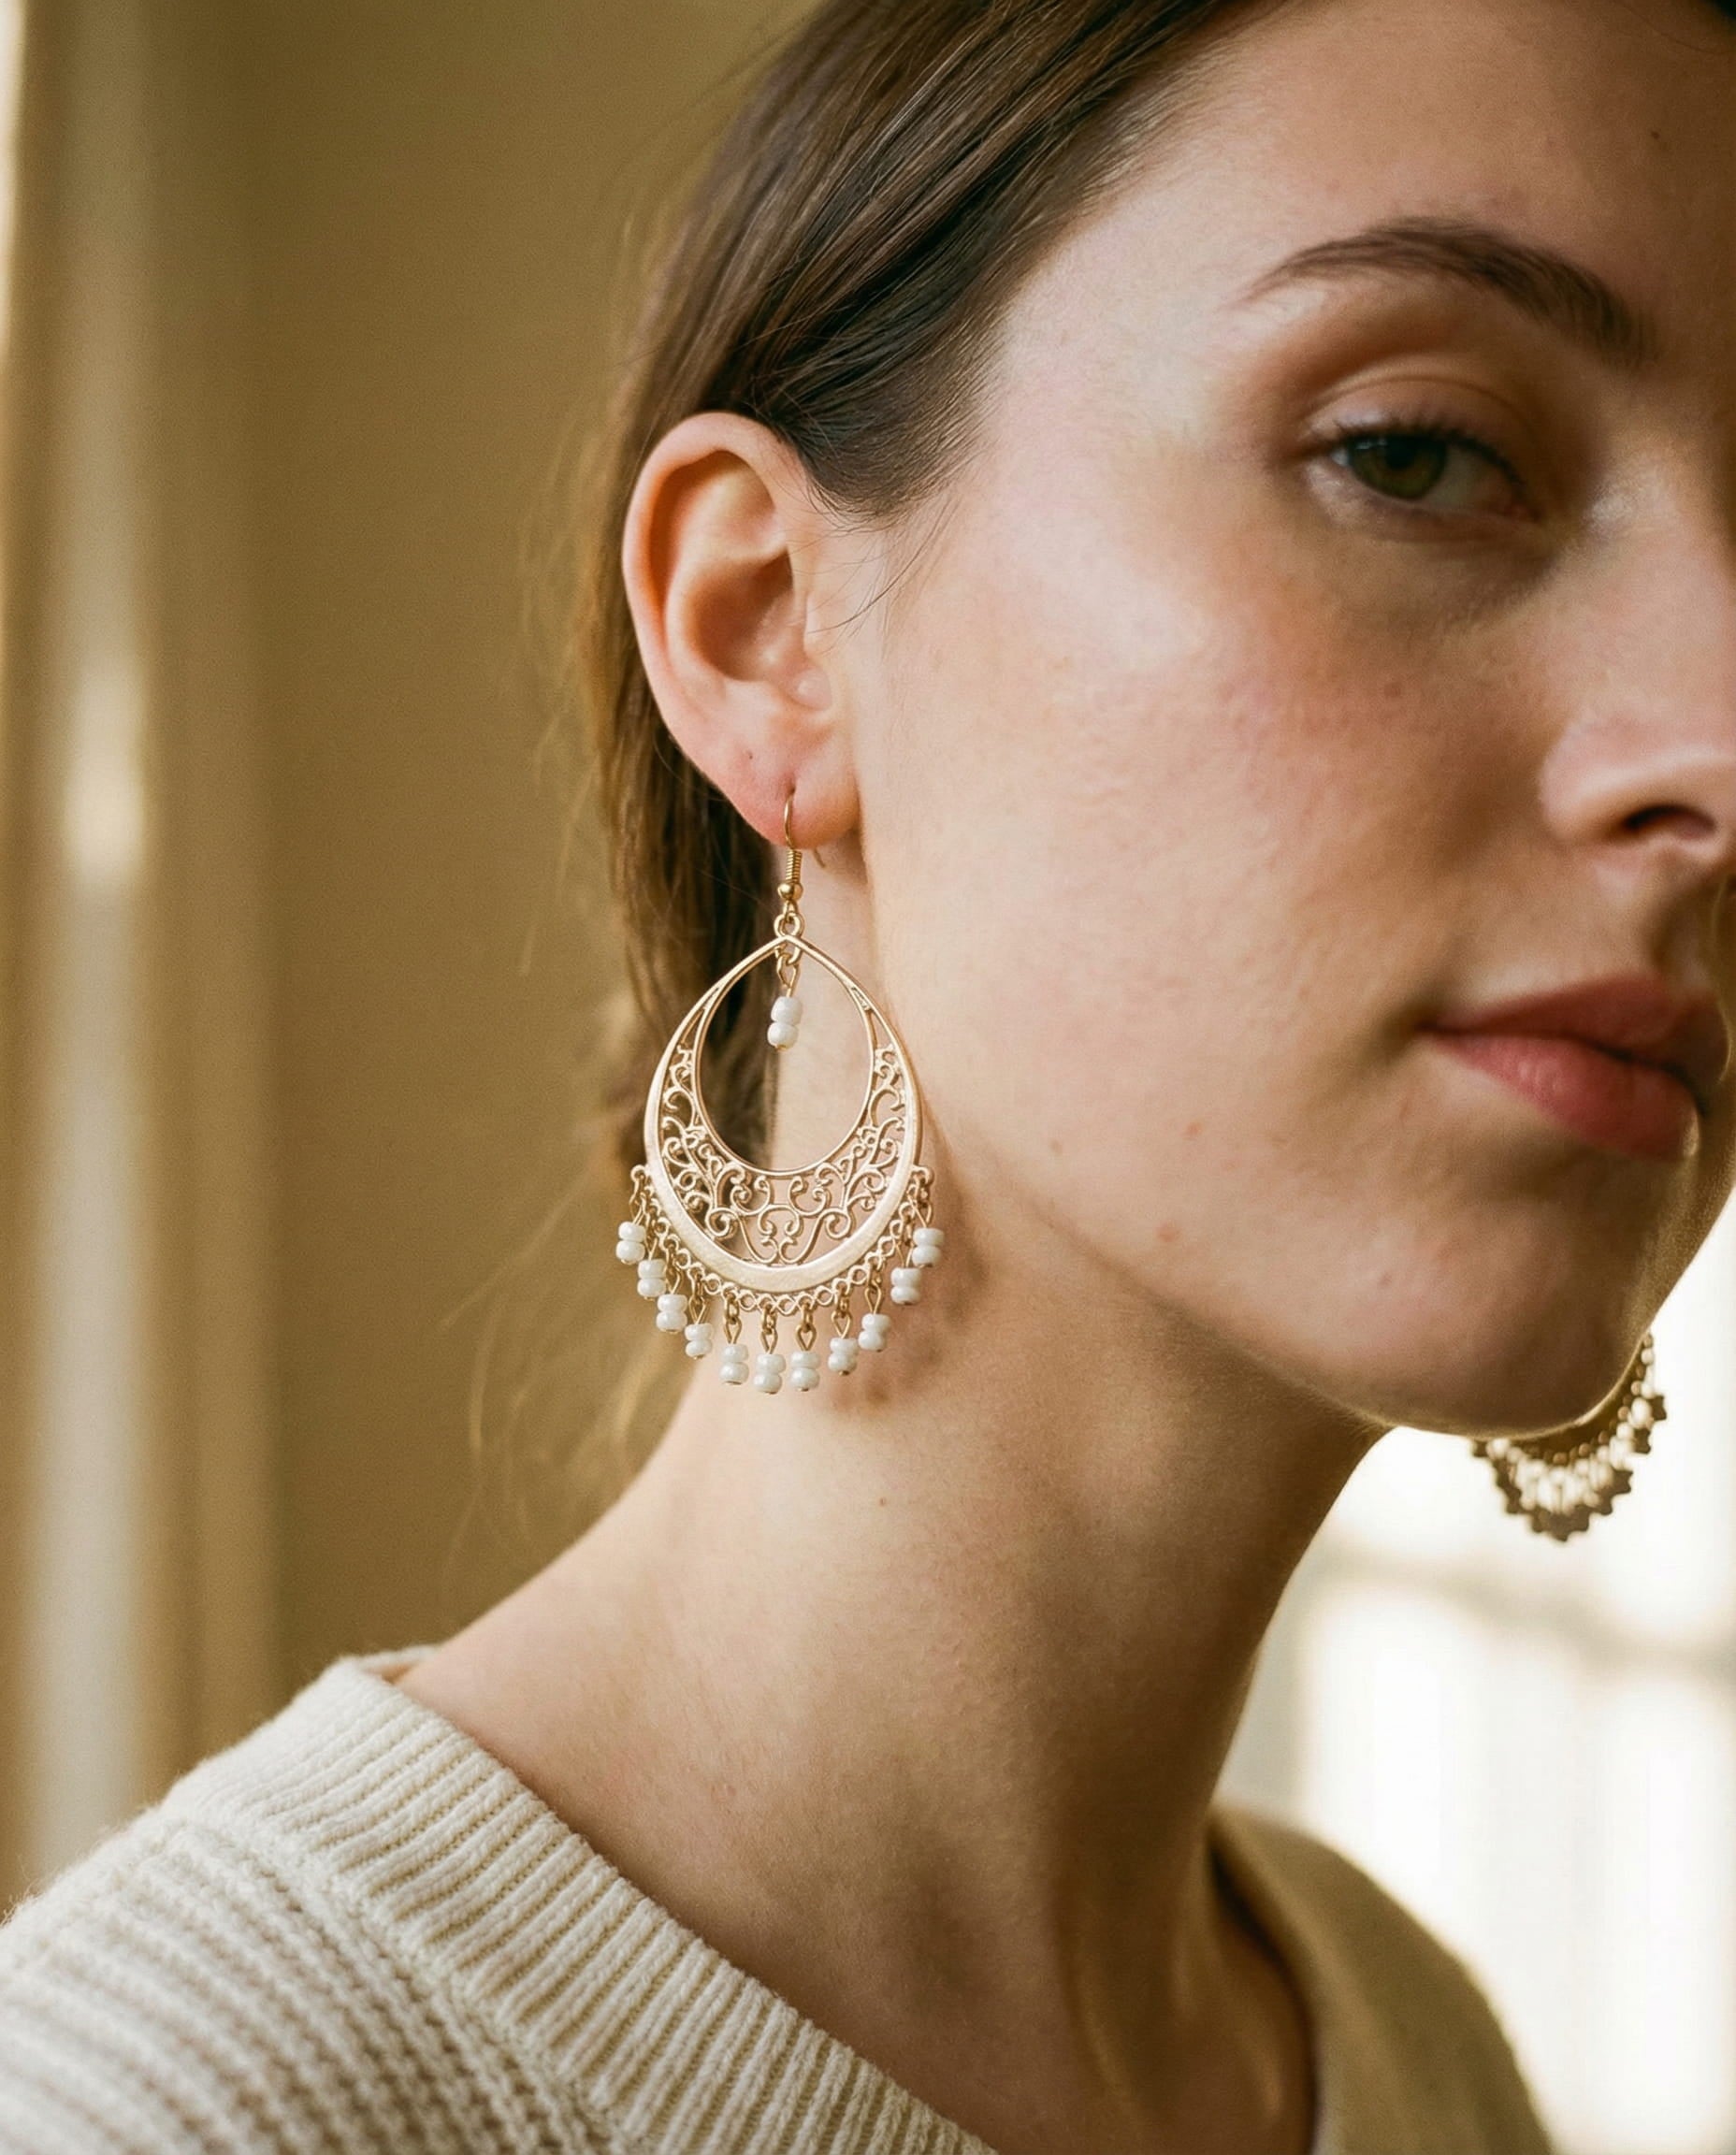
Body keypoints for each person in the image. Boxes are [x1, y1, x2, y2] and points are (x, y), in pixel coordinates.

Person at [5, 0, 1734, 2148]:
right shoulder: (173, 2113)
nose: (1712, 740)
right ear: (764, 629)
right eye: (1414, 451)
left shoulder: (1413, 2057)